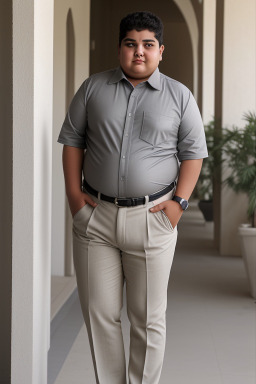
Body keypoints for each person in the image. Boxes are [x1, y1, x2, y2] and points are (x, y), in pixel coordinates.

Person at [57, 11, 208, 384]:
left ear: (161, 51)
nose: (138, 52)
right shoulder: (93, 88)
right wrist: (75, 200)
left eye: (147, 44)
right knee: (100, 315)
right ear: (120, 48)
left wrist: (179, 205)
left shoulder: (180, 96)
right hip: (96, 219)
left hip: (152, 218)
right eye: (130, 44)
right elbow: (72, 143)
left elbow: (194, 154)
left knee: (147, 318)